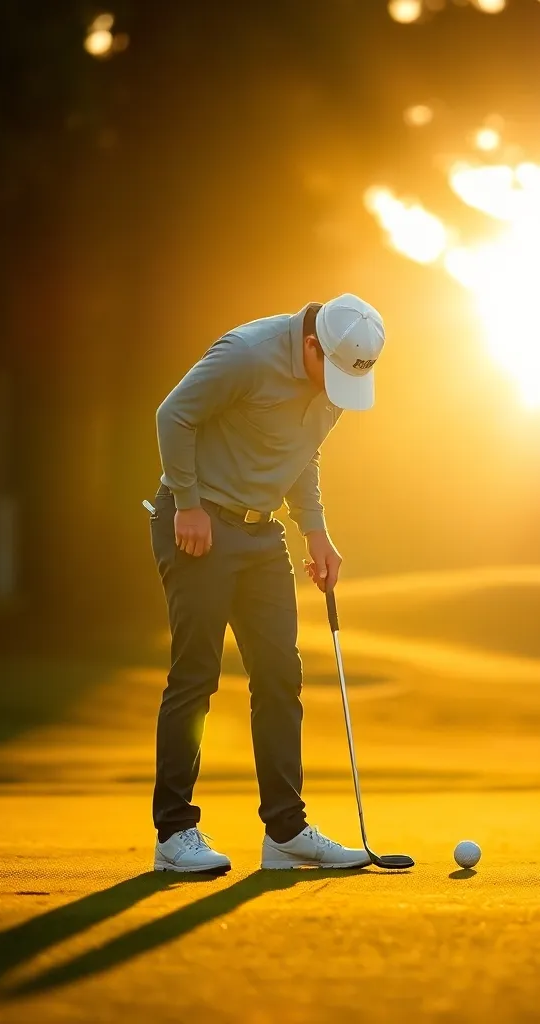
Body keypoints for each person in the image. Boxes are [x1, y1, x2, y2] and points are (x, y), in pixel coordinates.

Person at [148, 294, 385, 873]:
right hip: (196, 524)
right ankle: (174, 835)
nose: (333, 390)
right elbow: (172, 415)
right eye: (327, 374)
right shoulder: (248, 354)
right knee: (196, 675)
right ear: (312, 345)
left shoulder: (333, 374)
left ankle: (285, 833)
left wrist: (316, 532)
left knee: (281, 676)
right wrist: (188, 502)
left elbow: (303, 455)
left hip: (260, 535)